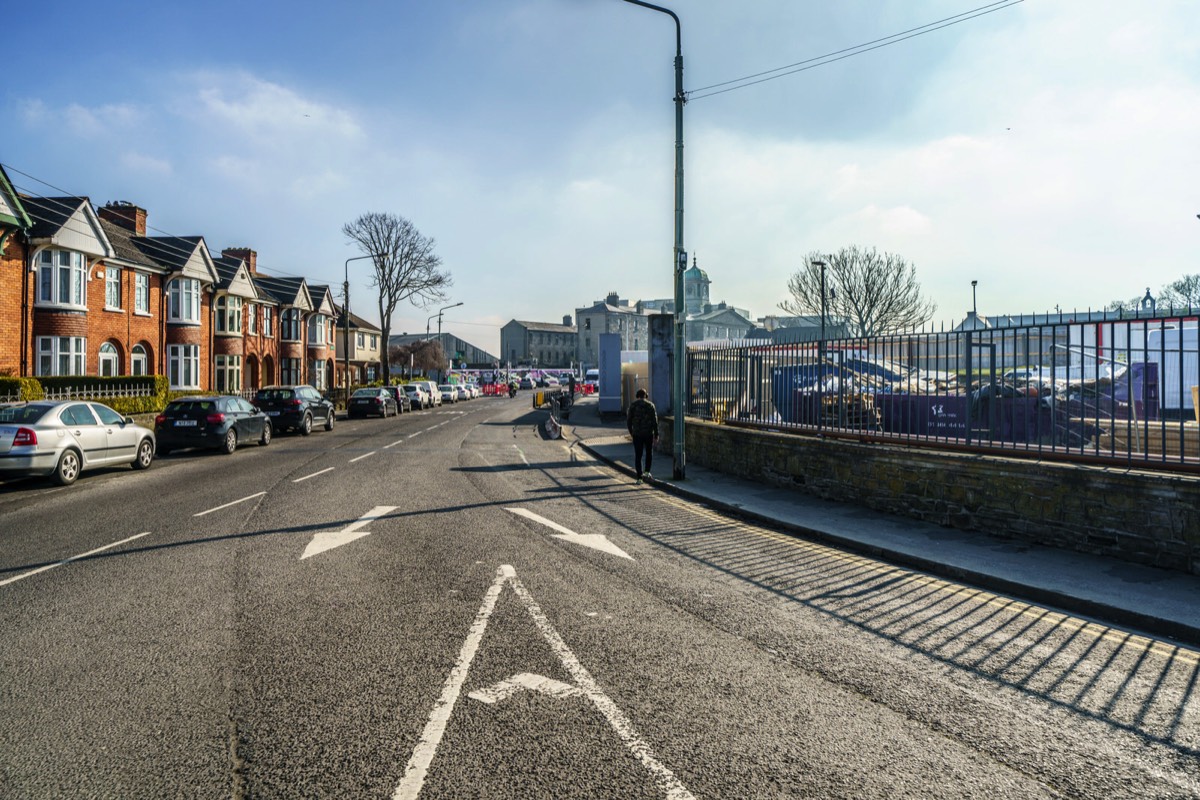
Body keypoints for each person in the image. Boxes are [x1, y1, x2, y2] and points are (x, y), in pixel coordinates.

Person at [626, 388, 659, 483]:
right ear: (646, 396)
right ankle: (647, 472)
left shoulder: (633, 406)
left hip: (637, 434)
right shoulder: (651, 405)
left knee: (638, 455)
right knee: (649, 453)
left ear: (637, 396)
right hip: (648, 434)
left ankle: (639, 477)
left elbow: (629, 421)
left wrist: (631, 432)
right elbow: (655, 421)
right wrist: (656, 434)